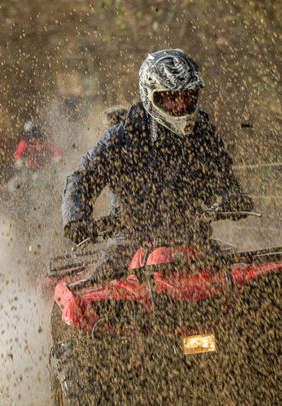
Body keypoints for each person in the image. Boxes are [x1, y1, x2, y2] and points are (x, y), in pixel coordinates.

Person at [61, 49, 253, 257]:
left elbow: (223, 178)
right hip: (129, 245)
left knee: (245, 271)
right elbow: (82, 179)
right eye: (172, 97)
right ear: (152, 96)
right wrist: (76, 219)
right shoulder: (121, 139)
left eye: (187, 96)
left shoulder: (203, 135)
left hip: (194, 241)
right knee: (101, 285)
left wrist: (232, 198)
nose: (181, 105)